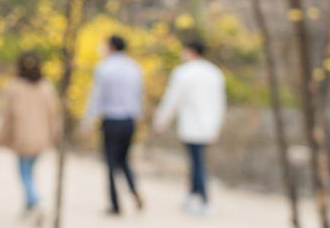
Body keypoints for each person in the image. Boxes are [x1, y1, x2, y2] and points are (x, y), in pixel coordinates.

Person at [153, 38, 226, 215]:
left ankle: (204, 200)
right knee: (197, 160)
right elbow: (221, 102)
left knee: (197, 162)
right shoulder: (214, 73)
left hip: (192, 125)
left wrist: (160, 121)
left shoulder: (183, 73)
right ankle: (192, 195)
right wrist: (217, 124)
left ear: (191, 51)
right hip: (210, 125)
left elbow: (172, 100)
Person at [83, 35, 144, 215]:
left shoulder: (104, 67)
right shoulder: (134, 67)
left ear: (110, 47)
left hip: (111, 120)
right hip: (129, 120)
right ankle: (133, 189)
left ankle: (115, 205)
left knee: (110, 162)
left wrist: (87, 119)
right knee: (124, 159)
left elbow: (97, 96)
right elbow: (139, 95)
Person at [0, 52, 61, 220]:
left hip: (22, 137)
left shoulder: (15, 86)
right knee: (29, 170)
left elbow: (7, 115)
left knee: (24, 171)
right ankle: (30, 204)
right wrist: (55, 135)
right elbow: (53, 114)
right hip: (41, 137)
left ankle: (35, 201)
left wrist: (2, 137)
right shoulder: (46, 86)